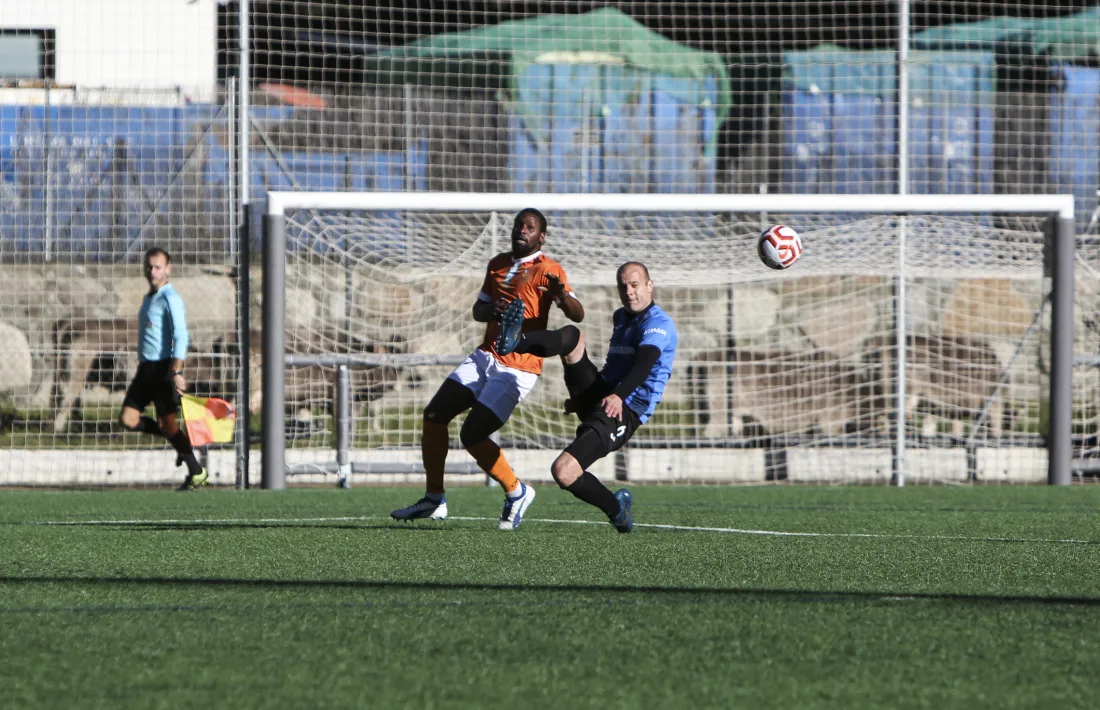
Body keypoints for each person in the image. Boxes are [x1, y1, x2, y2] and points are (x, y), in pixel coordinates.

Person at [392, 208, 584, 530]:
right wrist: (490, 308)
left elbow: (577, 315)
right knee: (434, 415)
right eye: (519, 225)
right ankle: (434, 498)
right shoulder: (497, 264)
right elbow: (478, 311)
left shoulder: (548, 269)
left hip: (518, 368)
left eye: (530, 227)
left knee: (472, 435)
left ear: (542, 236)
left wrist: (561, 296)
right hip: (485, 357)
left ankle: (517, 491)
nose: (522, 230)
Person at [496, 261, 677, 533]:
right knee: (572, 337)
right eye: (623, 286)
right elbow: (612, 369)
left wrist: (618, 396)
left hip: (625, 410)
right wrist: (582, 399)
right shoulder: (621, 317)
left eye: (635, 285)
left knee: (564, 472)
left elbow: (645, 363)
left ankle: (617, 510)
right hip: (603, 393)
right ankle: (517, 341)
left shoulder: (658, 323)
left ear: (650, 286)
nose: (629, 292)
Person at [117, 247, 208, 491]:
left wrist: (176, 371)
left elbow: (181, 336)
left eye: (158, 266)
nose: (152, 271)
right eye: (149, 266)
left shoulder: (170, 297)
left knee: (168, 425)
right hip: (146, 369)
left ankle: (196, 471)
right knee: (127, 419)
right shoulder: (149, 297)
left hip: (164, 369)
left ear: (168, 269)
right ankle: (180, 443)